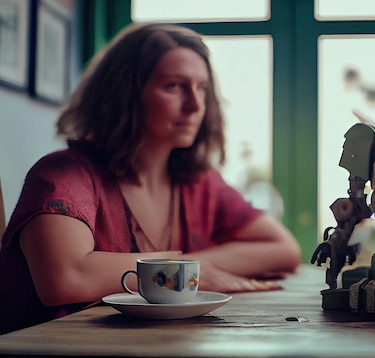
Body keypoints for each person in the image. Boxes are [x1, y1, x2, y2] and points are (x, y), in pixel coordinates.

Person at [0, 23, 301, 334]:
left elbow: (284, 249)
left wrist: (190, 267)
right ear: (125, 93)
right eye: (174, 86)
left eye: (202, 88)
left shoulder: (198, 182)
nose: (195, 106)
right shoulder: (63, 176)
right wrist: (182, 272)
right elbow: (65, 279)